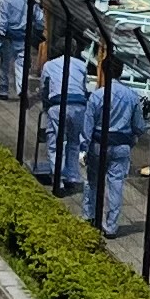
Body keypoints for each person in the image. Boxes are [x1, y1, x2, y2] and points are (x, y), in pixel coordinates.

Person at [86, 49, 146, 233]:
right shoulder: (132, 96)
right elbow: (139, 126)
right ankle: (111, 226)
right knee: (116, 184)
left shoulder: (97, 95)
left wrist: (84, 145)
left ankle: (89, 216)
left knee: (93, 181)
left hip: (98, 142)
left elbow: (88, 124)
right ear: (121, 72)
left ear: (103, 71)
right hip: (121, 145)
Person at [33, 35, 94, 190]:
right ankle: (72, 175)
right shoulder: (81, 65)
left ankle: (58, 178)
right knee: (74, 142)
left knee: (55, 142)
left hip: (58, 104)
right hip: (79, 105)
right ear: (74, 50)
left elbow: (45, 89)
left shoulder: (49, 65)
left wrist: (46, 105)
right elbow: (83, 87)